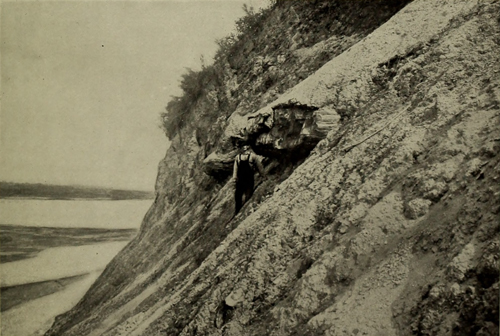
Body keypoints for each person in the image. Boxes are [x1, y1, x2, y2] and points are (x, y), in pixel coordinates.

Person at [232, 145, 265, 215]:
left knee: (248, 195)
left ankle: (243, 211)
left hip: (248, 179)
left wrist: (263, 176)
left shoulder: (252, 156)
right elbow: (235, 169)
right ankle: (237, 211)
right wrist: (234, 179)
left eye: (245, 149)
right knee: (238, 195)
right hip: (241, 180)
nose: (244, 151)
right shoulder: (238, 158)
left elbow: (259, 167)